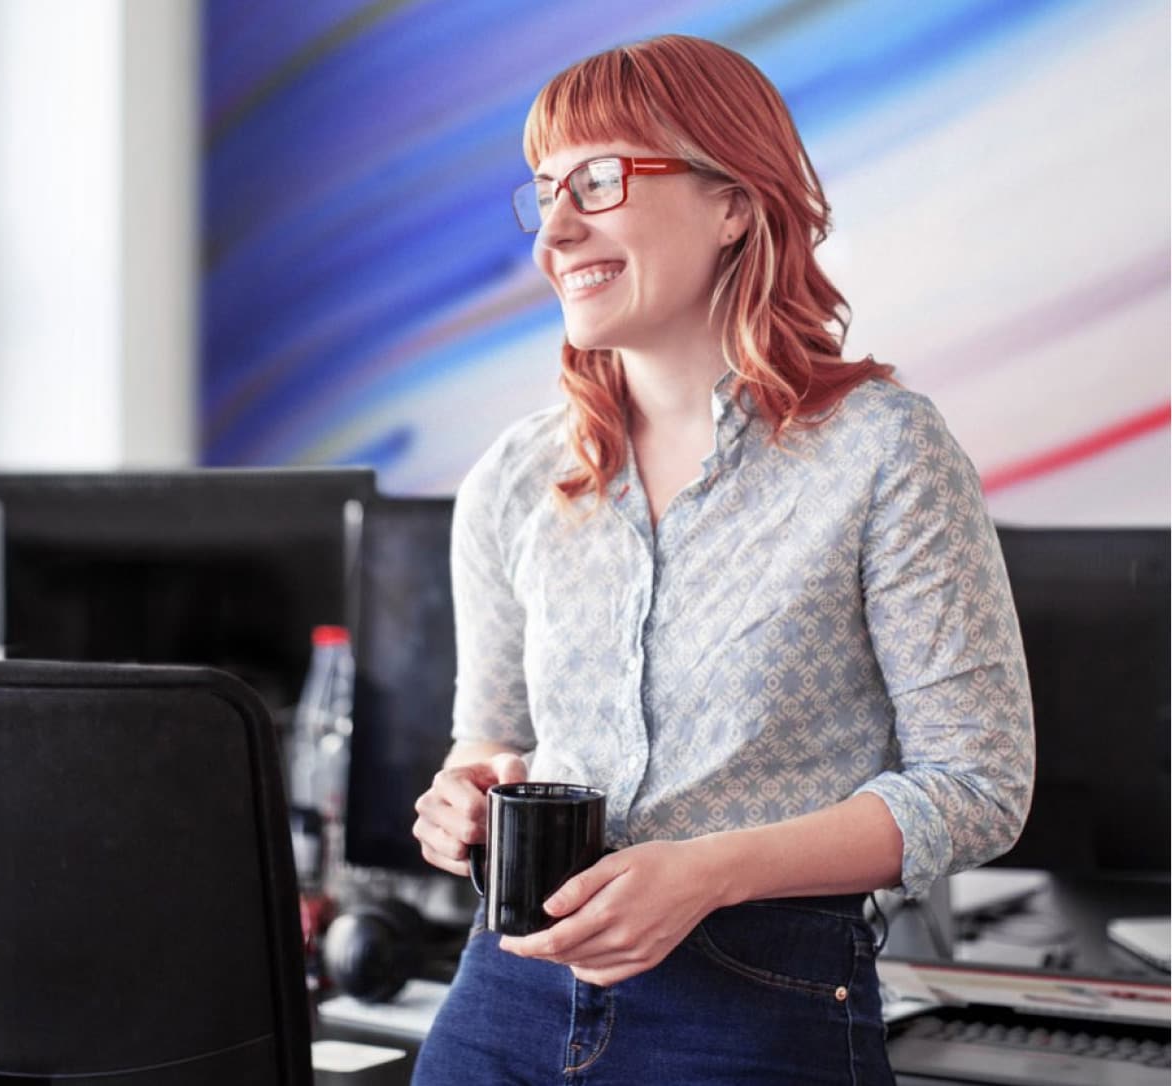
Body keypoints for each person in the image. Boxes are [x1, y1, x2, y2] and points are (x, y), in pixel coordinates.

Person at [409, 34, 1035, 1085]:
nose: (555, 229)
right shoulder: (511, 479)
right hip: (505, 996)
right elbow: (492, 741)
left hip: (757, 1003)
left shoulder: (882, 452)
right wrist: (462, 794)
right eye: (543, 190)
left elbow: (975, 783)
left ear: (733, 201)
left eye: (598, 181)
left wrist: (706, 871)